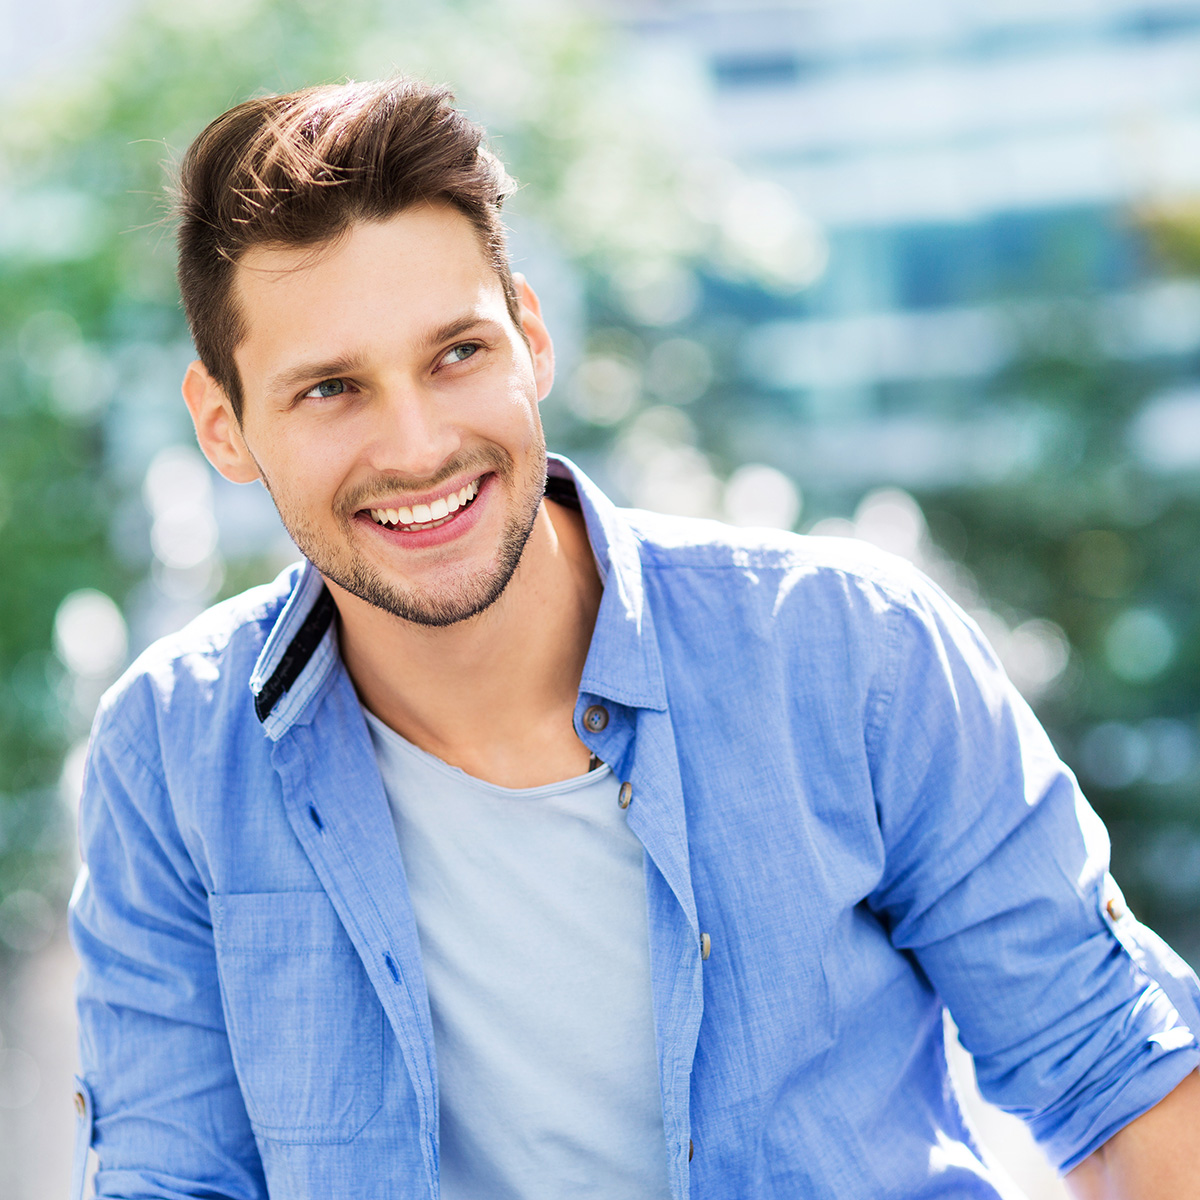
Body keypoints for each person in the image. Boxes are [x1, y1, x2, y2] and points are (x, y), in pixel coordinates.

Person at [69, 76, 1200, 1200]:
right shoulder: (172, 752)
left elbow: (1124, 1083)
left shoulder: (855, 651)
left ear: (531, 339)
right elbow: (169, 1180)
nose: (416, 446)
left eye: (456, 354)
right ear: (225, 426)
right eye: (329, 389)